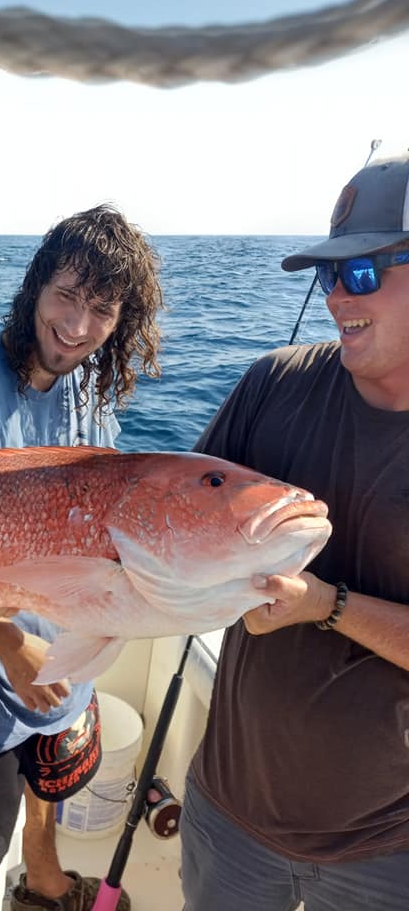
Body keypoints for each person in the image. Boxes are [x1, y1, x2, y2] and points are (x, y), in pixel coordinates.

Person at [0, 204, 163, 911]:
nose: (77, 327)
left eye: (101, 308)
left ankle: (44, 886)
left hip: (60, 672)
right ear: (35, 287)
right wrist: (10, 642)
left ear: (121, 320)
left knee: (48, 787)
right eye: (66, 297)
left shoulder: (89, 386)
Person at [179, 153, 409, 910]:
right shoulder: (272, 383)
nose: (340, 295)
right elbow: (163, 517)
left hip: (387, 851)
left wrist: (328, 605)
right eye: (327, 276)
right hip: (228, 815)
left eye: (365, 273)